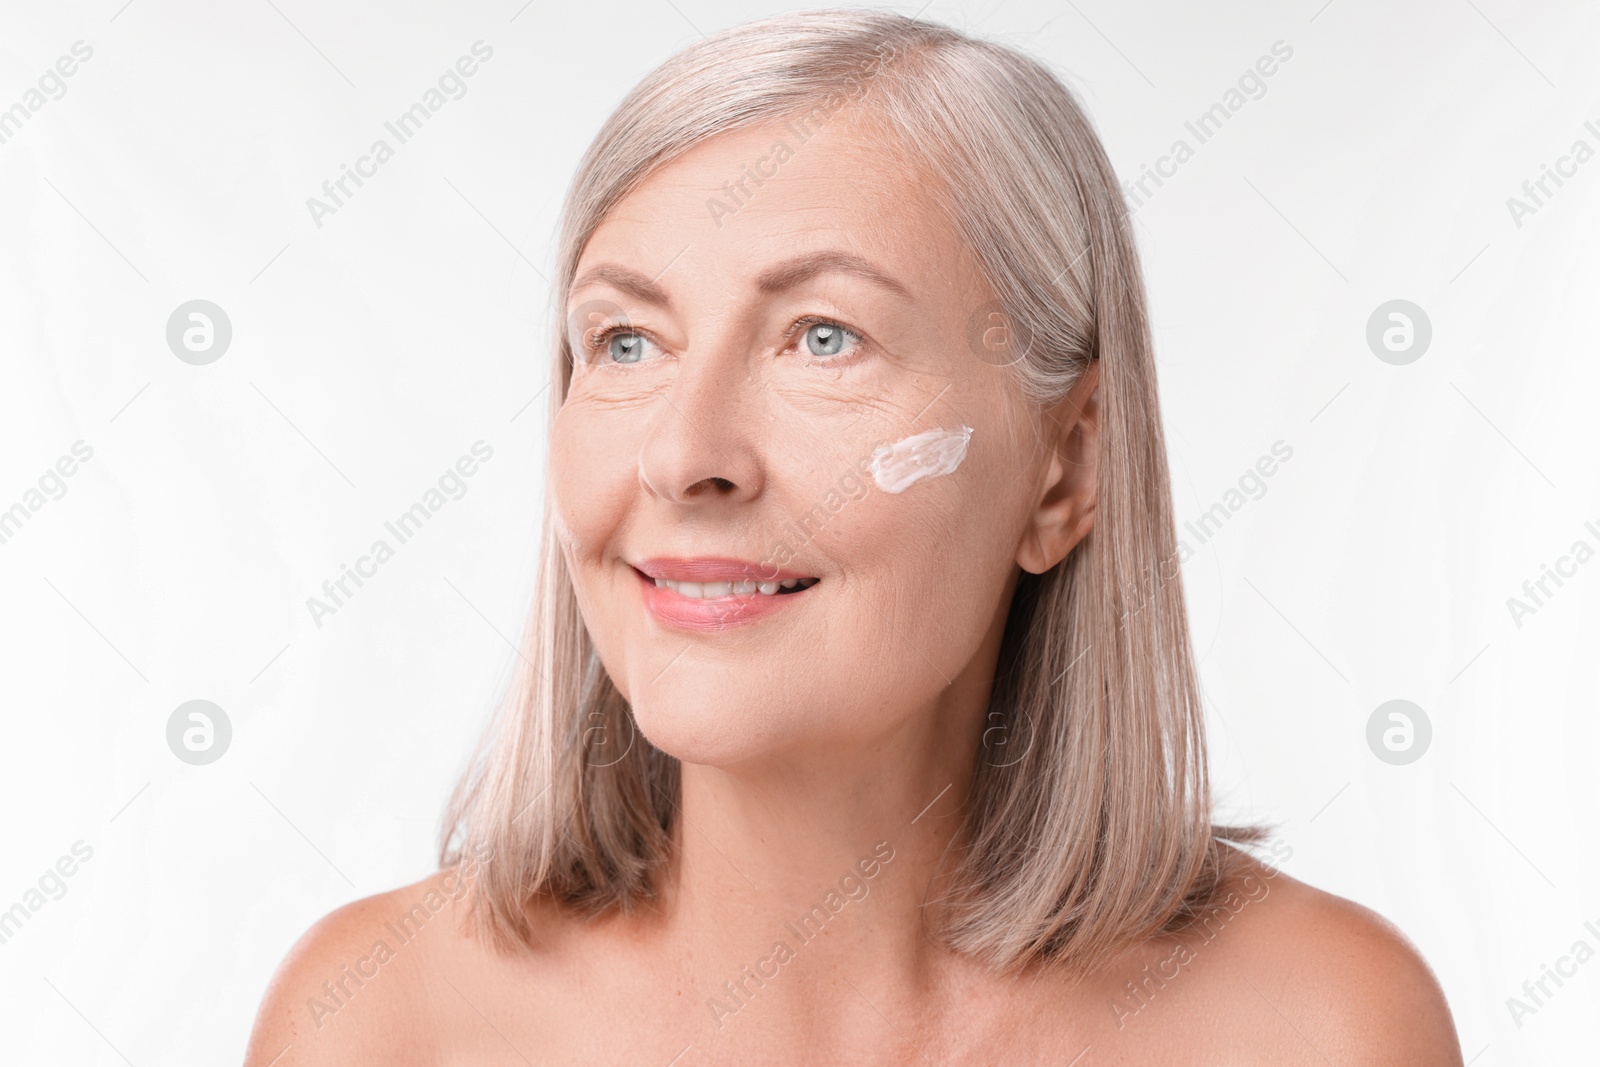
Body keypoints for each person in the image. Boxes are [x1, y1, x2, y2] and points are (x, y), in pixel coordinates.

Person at [245, 10, 1461, 1063]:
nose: (683, 454)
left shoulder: (1317, 1025)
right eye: (626, 342)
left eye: (823, 337)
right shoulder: (377, 1024)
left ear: (1066, 465)